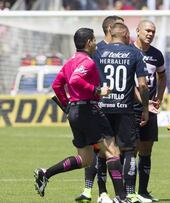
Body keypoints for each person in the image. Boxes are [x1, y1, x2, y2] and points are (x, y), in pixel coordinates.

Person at [34, 28, 131, 203]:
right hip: (89, 110)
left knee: (85, 159)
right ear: (89, 42)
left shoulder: (70, 61)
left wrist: (66, 104)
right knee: (112, 150)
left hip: (75, 112)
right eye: (94, 40)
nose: (96, 43)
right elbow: (75, 80)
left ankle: (45, 173)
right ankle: (122, 198)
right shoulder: (88, 62)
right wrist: (98, 90)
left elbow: (57, 85)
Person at [93, 22, 149, 203]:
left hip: (103, 108)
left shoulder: (98, 52)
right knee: (130, 151)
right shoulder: (134, 53)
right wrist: (146, 108)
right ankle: (128, 194)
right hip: (125, 109)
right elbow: (142, 84)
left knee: (108, 152)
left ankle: (110, 194)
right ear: (125, 34)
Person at [75, 15, 125, 203]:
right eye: (120, 25)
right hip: (99, 107)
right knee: (98, 151)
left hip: (118, 107)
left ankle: (117, 193)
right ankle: (99, 192)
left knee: (113, 152)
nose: (123, 28)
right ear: (111, 28)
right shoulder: (96, 50)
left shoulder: (124, 50)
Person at [130, 20, 166, 203]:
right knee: (131, 151)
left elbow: (162, 76)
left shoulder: (157, 55)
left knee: (146, 150)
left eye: (153, 31)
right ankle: (129, 192)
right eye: (147, 30)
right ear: (137, 31)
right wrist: (142, 102)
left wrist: (159, 96)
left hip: (150, 109)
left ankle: (143, 192)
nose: (150, 34)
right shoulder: (128, 51)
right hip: (131, 108)